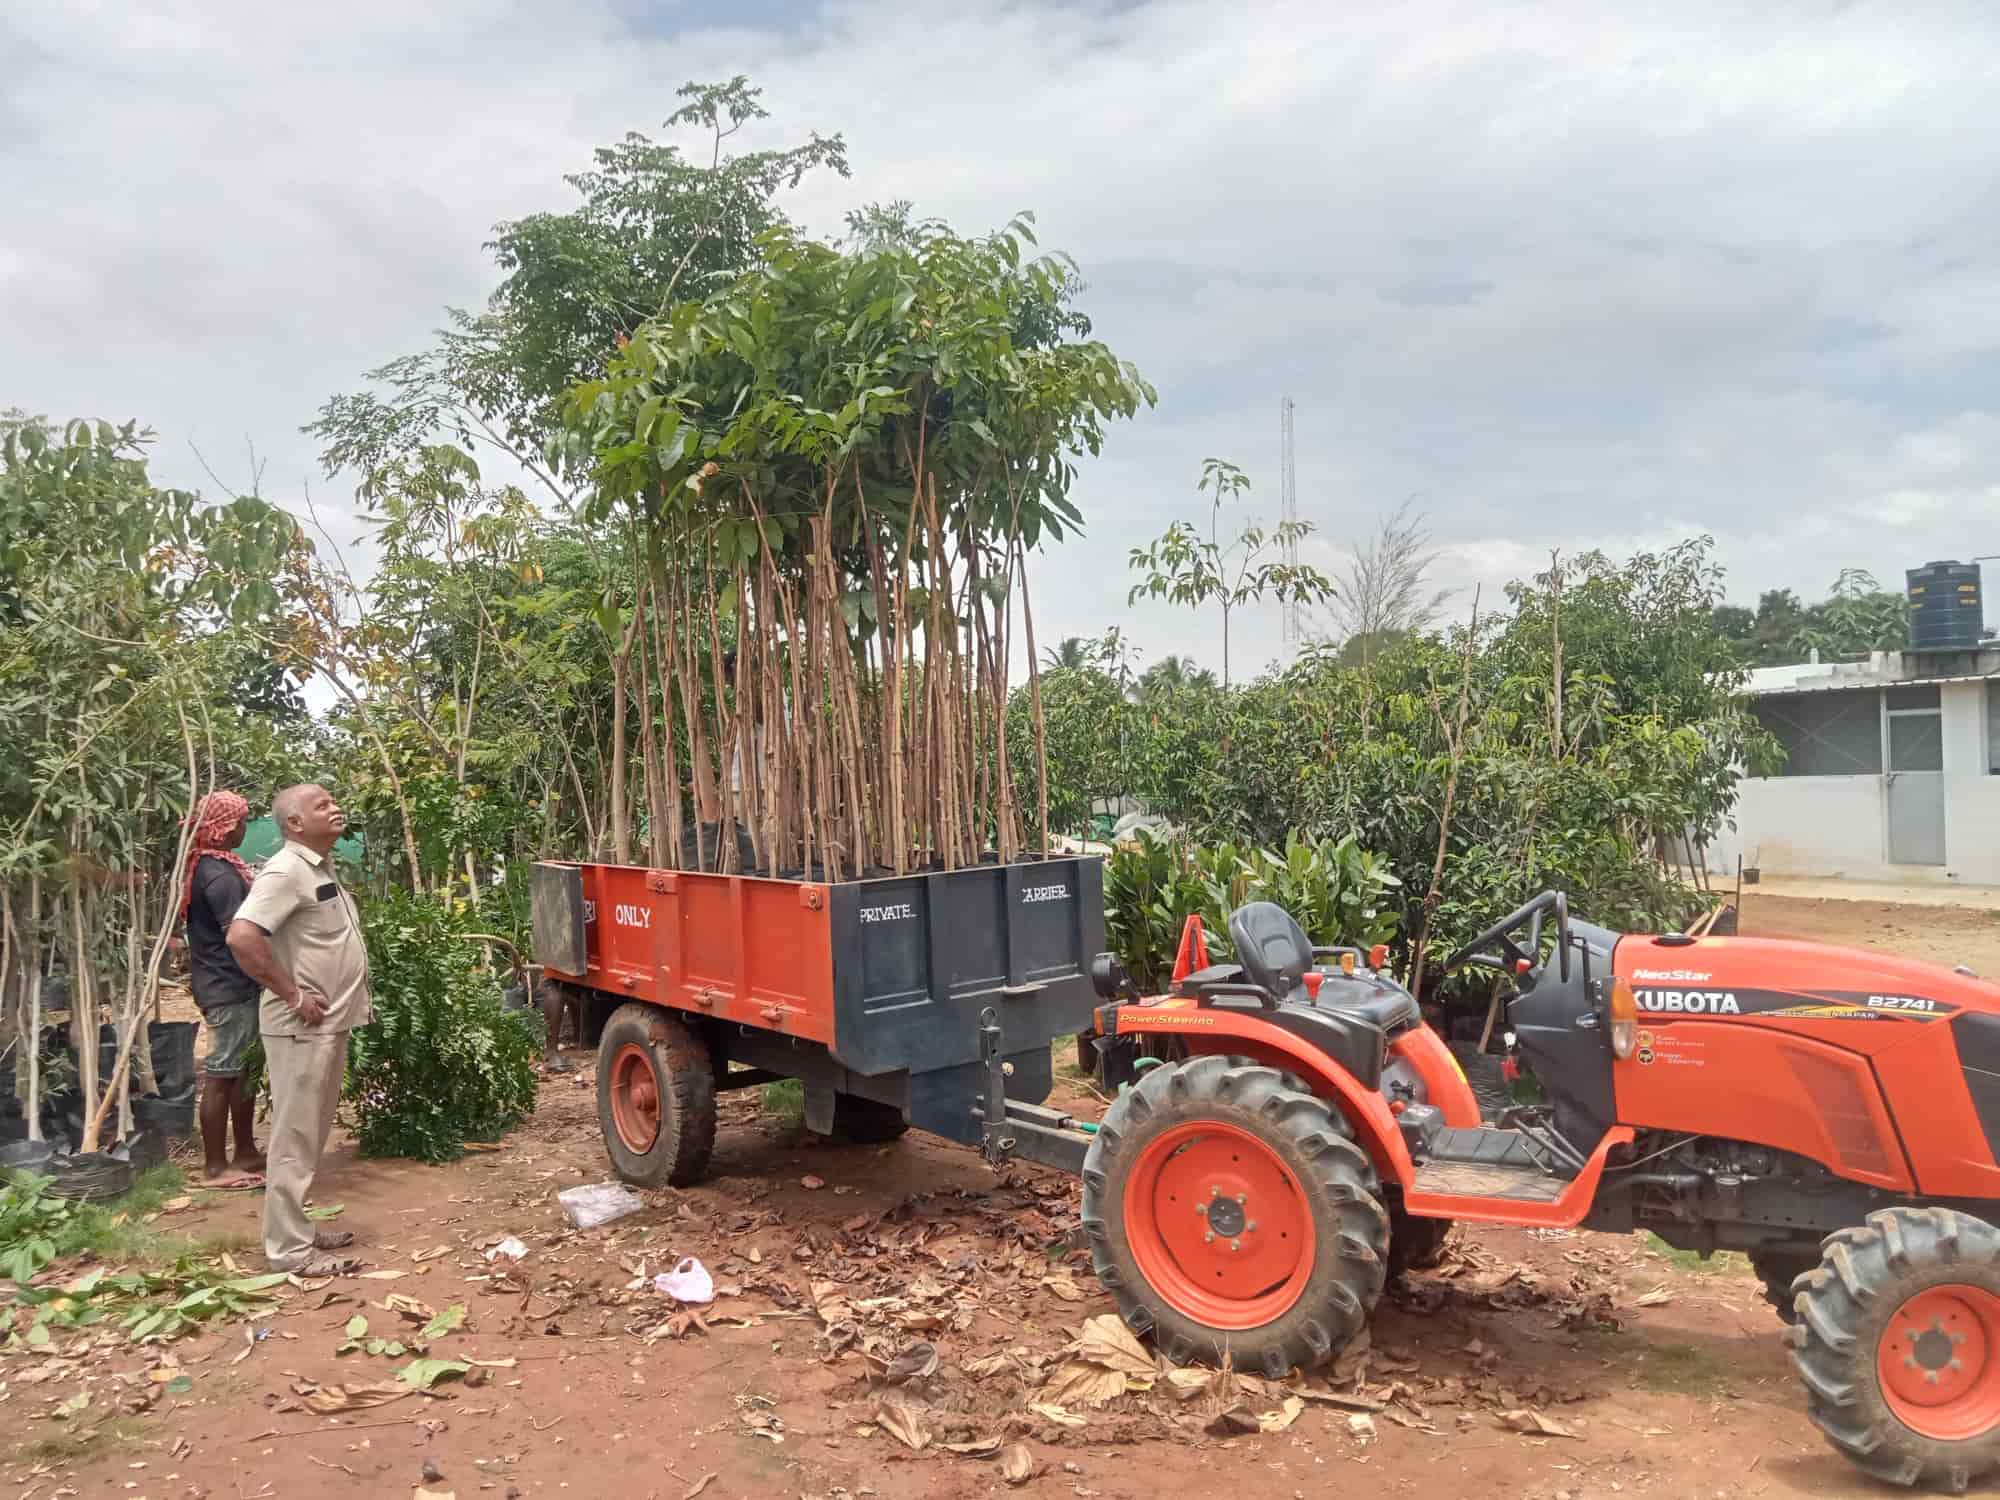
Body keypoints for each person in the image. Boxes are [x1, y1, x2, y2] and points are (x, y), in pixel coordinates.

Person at [226, 784, 368, 1275]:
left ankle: (297, 1230)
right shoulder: (285, 871)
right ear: (294, 823)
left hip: (325, 1026)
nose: (335, 808)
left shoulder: (318, 867)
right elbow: (242, 936)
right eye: (321, 805)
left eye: (334, 800)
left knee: (308, 1137)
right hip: (300, 1028)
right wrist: (292, 995)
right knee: (293, 1140)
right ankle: (287, 1251)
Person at [178, 790, 265, 1188]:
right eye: (242, 822)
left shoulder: (211, 866)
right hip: (227, 985)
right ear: (227, 828)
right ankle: (215, 1166)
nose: (245, 828)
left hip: (227, 982)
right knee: (222, 1075)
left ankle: (245, 1152)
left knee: (241, 1072)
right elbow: (239, 936)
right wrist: (269, 972)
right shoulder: (220, 876)